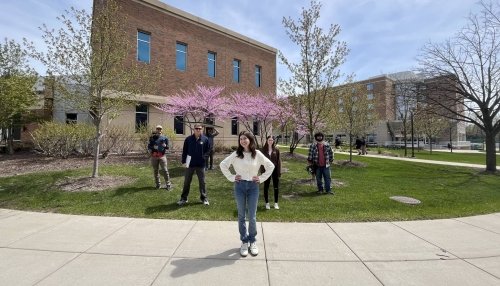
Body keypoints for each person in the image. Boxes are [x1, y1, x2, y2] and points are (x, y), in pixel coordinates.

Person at [220, 131, 274, 257]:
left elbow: (270, 166)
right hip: (240, 186)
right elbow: (223, 164)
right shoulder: (236, 154)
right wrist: (232, 177)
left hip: (253, 187)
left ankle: (253, 241)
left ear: (250, 140)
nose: (243, 141)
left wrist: (261, 178)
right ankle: (244, 241)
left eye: (245, 138)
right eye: (241, 139)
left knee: (252, 215)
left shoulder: (257, 154)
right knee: (241, 215)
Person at [177, 123, 211, 206]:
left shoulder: (205, 139)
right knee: (187, 182)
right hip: (190, 164)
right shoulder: (188, 139)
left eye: (200, 128)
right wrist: (183, 161)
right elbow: (185, 151)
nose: (198, 130)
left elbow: (209, 150)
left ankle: (204, 198)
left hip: (200, 164)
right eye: (196, 128)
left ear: (202, 129)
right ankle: (184, 198)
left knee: (202, 182)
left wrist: (204, 157)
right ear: (194, 129)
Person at [147, 125, 172, 190]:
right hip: (154, 157)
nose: (159, 130)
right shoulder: (152, 138)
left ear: (162, 130)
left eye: (160, 129)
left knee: (165, 170)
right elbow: (149, 146)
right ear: (156, 130)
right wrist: (151, 149)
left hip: (162, 156)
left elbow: (168, 147)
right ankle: (158, 184)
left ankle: (168, 184)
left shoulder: (165, 138)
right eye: (158, 129)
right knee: (156, 171)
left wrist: (165, 145)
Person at [260, 136, 281, 210]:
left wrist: (278, 172)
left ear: (273, 141)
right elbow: (261, 162)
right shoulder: (263, 150)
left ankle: (276, 203)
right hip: (266, 171)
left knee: (276, 187)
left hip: (275, 170)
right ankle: (267, 203)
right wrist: (262, 172)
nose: (270, 141)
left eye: (272, 140)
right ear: (267, 141)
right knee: (266, 187)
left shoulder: (276, 150)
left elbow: (278, 162)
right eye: (269, 140)